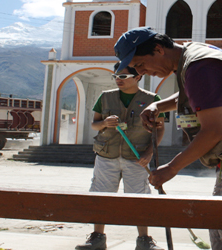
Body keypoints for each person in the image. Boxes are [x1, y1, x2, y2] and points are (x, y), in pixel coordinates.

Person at [114, 27, 222, 250]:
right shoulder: (192, 56)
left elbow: (212, 132)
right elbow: (199, 90)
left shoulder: (201, 67)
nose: (142, 72)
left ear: (158, 49)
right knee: (219, 221)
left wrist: (171, 168)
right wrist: (160, 105)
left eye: (140, 64)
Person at [75, 62, 165, 250]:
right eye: (116, 76)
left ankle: (144, 241)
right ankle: (97, 238)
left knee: (139, 198)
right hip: (106, 155)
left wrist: (149, 153)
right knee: (101, 196)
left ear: (138, 77)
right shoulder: (105, 97)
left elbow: (160, 129)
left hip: (137, 157)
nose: (118, 80)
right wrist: (104, 123)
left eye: (123, 77)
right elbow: (94, 124)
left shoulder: (152, 99)